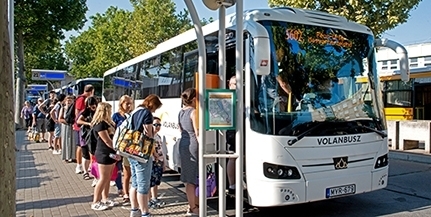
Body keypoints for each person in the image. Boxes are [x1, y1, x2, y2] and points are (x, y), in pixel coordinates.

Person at [128, 94, 163, 217]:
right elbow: (149, 134)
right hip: (141, 152)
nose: (154, 111)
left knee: (135, 183)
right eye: (155, 108)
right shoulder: (147, 113)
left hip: (130, 150)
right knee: (143, 184)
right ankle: (145, 212)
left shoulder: (136, 110)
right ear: (152, 104)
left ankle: (134, 210)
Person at [91, 102, 119, 211]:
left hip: (110, 153)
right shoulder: (100, 124)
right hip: (104, 153)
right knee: (102, 178)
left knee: (108, 177)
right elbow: (107, 141)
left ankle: (105, 198)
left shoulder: (108, 123)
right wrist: (117, 150)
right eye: (109, 110)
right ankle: (95, 201)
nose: (111, 112)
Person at [178, 88, 199, 216]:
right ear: (194, 99)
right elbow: (197, 132)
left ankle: (192, 205)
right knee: (192, 179)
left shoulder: (181, 112)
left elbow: (181, 130)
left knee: (188, 178)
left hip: (183, 144)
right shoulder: (194, 112)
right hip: (193, 145)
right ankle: (193, 208)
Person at [111, 95, 133, 204]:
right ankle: (123, 191)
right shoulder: (116, 116)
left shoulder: (132, 115)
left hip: (130, 147)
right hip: (120, 146)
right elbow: (112, 130)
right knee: (120, 169)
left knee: (128, 171)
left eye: (130, 103)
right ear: (121, 104)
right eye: (127, 103)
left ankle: (128, 192)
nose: (129, 105)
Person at [74, 85, 95, 174]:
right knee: (81, 147)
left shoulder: (84, 99)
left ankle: (88, 166)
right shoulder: (82, 99)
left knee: (88, 149)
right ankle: (79, 165)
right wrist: (80, 124)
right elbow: (77, 113)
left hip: (84, 127)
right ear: (92, 91)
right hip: (81, 128)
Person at [76, 96, 98, 181]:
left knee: (94, 155)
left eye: (94, 105)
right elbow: (78, 121)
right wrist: (88, 123)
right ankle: (85, 172)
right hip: (86, 135)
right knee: (86, 155)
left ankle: (94, 173)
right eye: (90, 105)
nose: (92, 107)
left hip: (95, 136)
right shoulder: (85, 112)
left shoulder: (97, 112)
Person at [148, 117, 166, 209]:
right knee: (150, 182)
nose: (157, 127)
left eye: (159, 125)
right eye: (155, 125)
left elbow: (162, 150)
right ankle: (148, 200)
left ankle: (154, 198)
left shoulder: (158, 136)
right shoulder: (150, 137)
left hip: (159, 161)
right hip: (153, 161)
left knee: (156, 181)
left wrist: (164, 162)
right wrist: (156, 156)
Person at [59, 95, 76, 162]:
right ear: (65, 101)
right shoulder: (63, 109)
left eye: (70, 100)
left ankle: (73, 157)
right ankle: (66, 156)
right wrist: (67, 122)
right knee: (66, 141)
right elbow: (60, 119)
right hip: (66, 126)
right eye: (68, 100)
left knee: (73, 141)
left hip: (73, 126)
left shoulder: (74, 109)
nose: (69, 102)